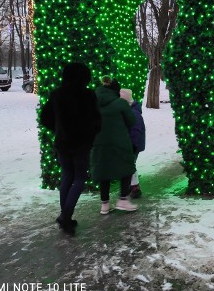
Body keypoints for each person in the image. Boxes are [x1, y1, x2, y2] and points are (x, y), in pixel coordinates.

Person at [40, 62, 101, 236]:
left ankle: (65, 216)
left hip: (63, 143)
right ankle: (66, 216)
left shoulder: (57, 94)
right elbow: (96, 121)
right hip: (81, 144)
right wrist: (90, 134)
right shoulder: (88, 95)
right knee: (80, 178)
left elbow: (45, 118)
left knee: (67, 176)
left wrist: (58, 129)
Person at [91, 76, 138, 214]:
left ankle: (104, 204)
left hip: (98, 144)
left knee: (103, 171)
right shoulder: (120, 103)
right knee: (128, 168)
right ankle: (123, 199)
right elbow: (131, 121)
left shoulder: (92, 103)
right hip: (119, 143)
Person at [120, 88, 145, 198]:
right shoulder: (132, 111)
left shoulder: (133, 113)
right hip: (132, 144)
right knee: (130, 165)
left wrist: (132, 146)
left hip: (132, 145)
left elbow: (136, 132)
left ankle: (134, 188)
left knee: (130, 166)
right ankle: (133, 187)